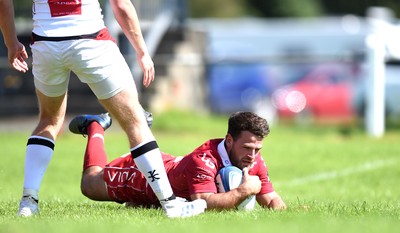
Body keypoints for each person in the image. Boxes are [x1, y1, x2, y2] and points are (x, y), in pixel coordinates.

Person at [0, 0, 206, 218]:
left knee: (49, 121)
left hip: (46, 43)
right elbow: (121, 5)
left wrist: (11, 43)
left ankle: (28, 202)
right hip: (89, 40)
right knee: (135, 121)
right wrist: (142, 51)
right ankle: (170, 204)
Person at [69, 111, 286, 211]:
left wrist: (279, 210)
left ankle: (140, 126)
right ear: (229, 140)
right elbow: (204, 203)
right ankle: (95, 126)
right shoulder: (204, 159)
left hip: (171, 171)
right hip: (143, 177)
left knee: (141, 207)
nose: (253, 155)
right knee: (89, 184)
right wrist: (243, 192)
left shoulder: (253, 160)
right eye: (247, 147)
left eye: (258, 149)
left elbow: (272, 200)